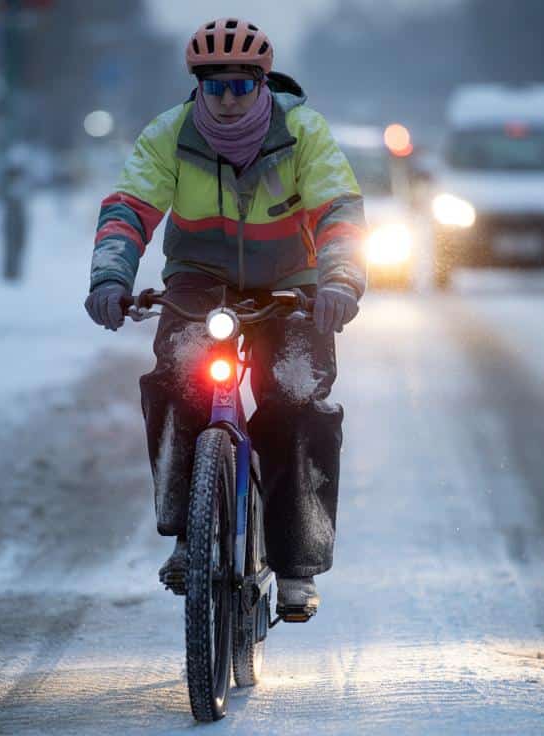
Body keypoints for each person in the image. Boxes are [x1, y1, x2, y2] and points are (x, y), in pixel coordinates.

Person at [83, 17, 366, 617]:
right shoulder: (169, 135)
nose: (228, 99)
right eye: (215, 87)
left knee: (295, 399)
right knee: (178, 381)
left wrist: (340, 279)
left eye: (241, 86)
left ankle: (295, 564)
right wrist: (110, 277)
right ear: (198, 87)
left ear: (263, 84)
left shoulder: (303, 133)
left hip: (290, 284)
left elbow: (338, 211)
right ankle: (190, 534)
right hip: (198, 281)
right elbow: (128, 210)